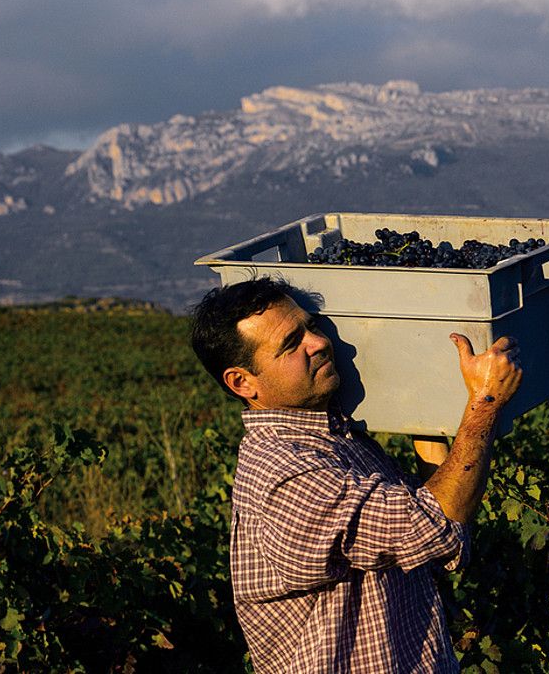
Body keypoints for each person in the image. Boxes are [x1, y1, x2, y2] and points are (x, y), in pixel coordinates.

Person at [188, 276, 521, 673]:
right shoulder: (286, 476)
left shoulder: (336, 438)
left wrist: (427, 404)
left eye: (311, 326)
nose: (319, 342)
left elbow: (439, 542)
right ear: (242, 382)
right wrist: (484, 402)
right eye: (292, 344)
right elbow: (432, 525)